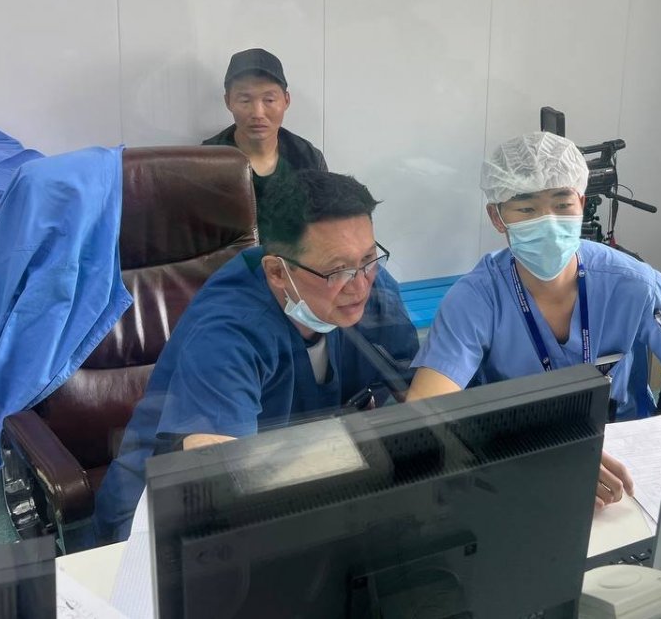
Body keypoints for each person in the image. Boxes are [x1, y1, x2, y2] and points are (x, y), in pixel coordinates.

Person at [92, 170, 417, 544]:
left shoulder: (371, 287)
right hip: (164, 517)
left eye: (369, 258)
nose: (359, 285)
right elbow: (217, 482)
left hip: (305, 485)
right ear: (277, 272)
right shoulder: (229, 332)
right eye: (336, 271)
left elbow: (419, 397)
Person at [406, 132, 661, 511]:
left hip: (625, 458)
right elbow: (425, 410)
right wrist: (550, 456)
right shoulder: (476, 298)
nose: (549, 223)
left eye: (562, 204)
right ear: (497, 217)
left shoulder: (636, 284)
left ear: (582, 203)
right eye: (526, 209)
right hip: (522, 456)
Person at [202, 48, 328, 226]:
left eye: (269, 100)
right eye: (245, 100)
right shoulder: (206, 160)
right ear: (228, 101)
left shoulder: (309, 158)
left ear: (286, 100)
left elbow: (324, 226)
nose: (258, 113)